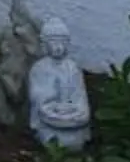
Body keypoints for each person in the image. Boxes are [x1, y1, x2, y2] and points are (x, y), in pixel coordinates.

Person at [29, 16, 92, 151]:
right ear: (45, 45)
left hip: (71, 115)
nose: (58, 47)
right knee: (54, 140)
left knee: (76, 139)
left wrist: (79, 111)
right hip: (50, 117)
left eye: (62, 42)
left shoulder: (72, 67)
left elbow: (80, 95)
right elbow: (37, 97)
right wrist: (51, 102)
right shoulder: (39, 68)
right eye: (53, 42)